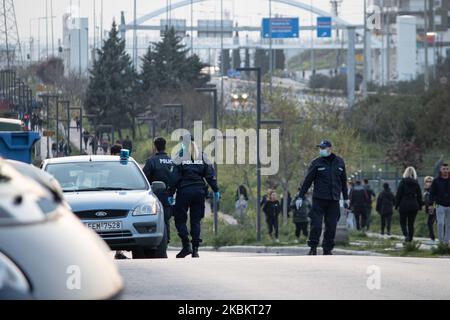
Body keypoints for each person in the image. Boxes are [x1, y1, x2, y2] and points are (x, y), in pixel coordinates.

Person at [170, 134, 219, 258]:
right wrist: (216, 190)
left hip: (184, 192)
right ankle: (195, 249)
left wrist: (170, 193)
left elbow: (174, 178)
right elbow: (210, 175)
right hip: (199, 192)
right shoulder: (202, 156)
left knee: (180, 218)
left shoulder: (179, 156)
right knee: (196, 220)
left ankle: (186, 246)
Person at [296, 140, 349, 256]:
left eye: (323, 148)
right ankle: (313, 247)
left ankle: (327, 249)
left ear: (329, 148)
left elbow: (344, 182)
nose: (321, 150)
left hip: (334, 199)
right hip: (319, 199)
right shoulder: (316, 163)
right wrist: (300, 196)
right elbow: (307, 181)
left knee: (331, 226)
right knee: (316, 225)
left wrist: (346, 198)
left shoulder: (340, 162)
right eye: (320, 148)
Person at [143, 137, 175, 250]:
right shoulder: (172, 161)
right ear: (165, 146)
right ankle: (166, 241)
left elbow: (144, 178)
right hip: (170, 195)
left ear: (155, 147)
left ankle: (156, 241)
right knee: (166, 219)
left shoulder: (151, 161)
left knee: (154, 218)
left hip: (154, 196)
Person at [395, 167, 423, 243]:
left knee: (402, 222)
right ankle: (410, 239)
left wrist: (396, 205)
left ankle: (406, 235)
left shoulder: (402, 182)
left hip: (404, 204)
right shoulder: (416, 183)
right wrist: (420, 206)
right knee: (411, 223)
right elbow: (419, 196)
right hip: (414, 204)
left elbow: (399, 195)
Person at [430, 163, 450, 245]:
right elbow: (432, 193)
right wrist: (431, 205)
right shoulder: (436, 181)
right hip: (439, 204)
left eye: (447, 169)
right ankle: (441, 241)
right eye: (444, 169)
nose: (445, 171)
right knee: (440, 223)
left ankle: (446, 241)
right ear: (440, 170)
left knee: (449, 224)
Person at [423, 176, 437, 243]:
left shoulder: (433, 190)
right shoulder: (426, 190)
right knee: (430, 223)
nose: (428, 183)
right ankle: (432, 237)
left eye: (430, 181)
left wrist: (433, 208)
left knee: (430, 223)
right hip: (430, 208)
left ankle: (432, 237)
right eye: (427, 181)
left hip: (434, 208)